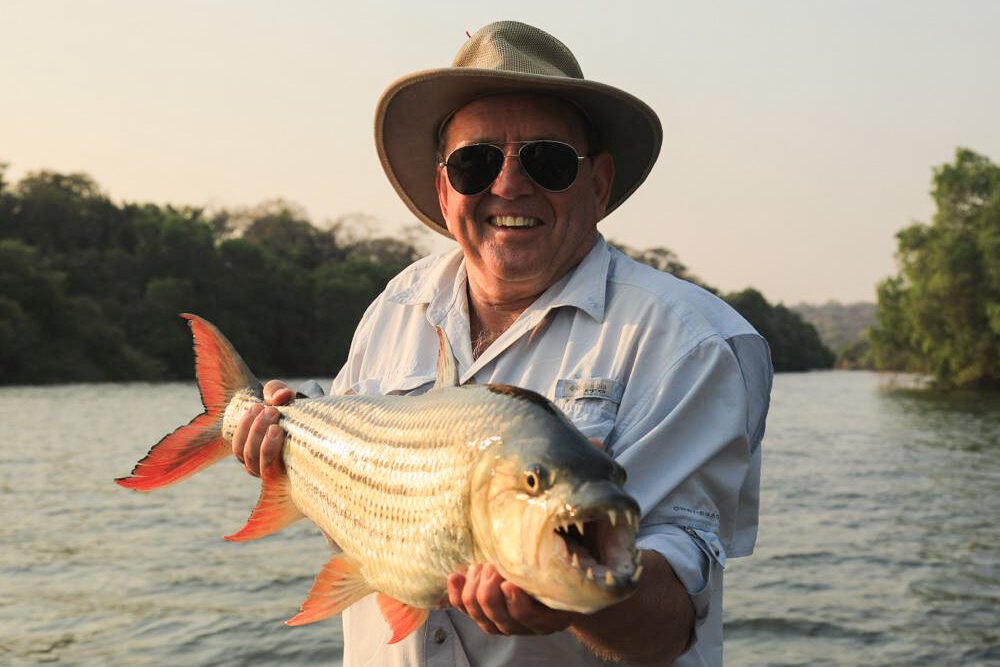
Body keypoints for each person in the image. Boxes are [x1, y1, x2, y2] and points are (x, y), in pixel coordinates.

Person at [232, 21, 771, 667]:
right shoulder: (395, 307)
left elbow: (674, 615)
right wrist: (285, 450)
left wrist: (576, 599)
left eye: (545, 160)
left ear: (598, 183)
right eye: (475, 162)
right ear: (443, 188)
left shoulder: (692, 343)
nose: (509, 185)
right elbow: (363, 512)